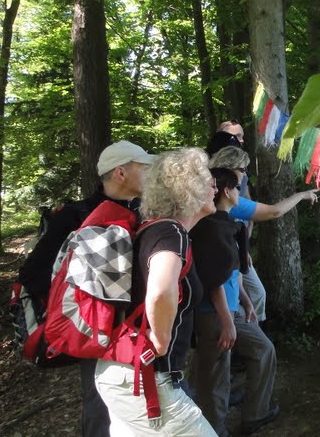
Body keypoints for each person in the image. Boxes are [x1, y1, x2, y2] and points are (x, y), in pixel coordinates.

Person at [17, 140, 154, 437]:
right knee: (100, 401)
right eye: (143, 167)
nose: (149, 173)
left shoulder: (142, 212)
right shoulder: (77, 215)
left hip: (136, 328)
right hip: (98, 329)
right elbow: (34, 272)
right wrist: (78, 304)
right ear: (120, 173)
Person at [93, 148, 217, 436]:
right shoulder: (172, 233)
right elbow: (161, 290)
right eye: (208, 180)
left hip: (121, 372)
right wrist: (161, 340)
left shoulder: (152, 230)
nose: (215, 188)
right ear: (188, 188)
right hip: (144, 378)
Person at [189, 167, 279, 436]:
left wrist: (246, 301)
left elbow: (231, 272)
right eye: (238, 187)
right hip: (214, 314)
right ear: (226, 191)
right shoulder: (210, 228)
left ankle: (256, 413)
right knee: (215, 380)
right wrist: (227, 322)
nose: (241, 191)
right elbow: (213, 280)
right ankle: (214, 430)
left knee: (264, 349)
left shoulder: (227, 224)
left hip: (232, 309)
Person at [207, 145, 318, 322]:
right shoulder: (225, 198)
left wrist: (242, 251)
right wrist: (302, 195)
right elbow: (273, 211)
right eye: (242, 169)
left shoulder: (213, 194)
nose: (245, 174)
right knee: (254, 294)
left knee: (253, 295)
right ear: (229, 168)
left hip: (224, 277)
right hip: (217, 300)